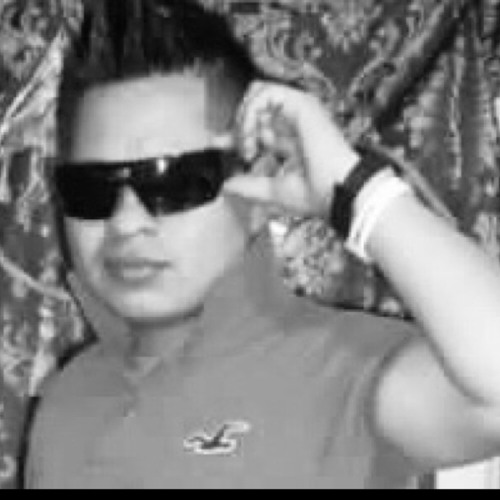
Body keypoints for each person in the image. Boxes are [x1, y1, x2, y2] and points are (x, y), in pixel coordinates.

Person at [26, 0, 500, 490]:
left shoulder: (343, 371)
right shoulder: (66, 400)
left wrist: (354, 189)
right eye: (92, 189)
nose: (126, 224)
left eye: (175, 182)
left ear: (258, 183)